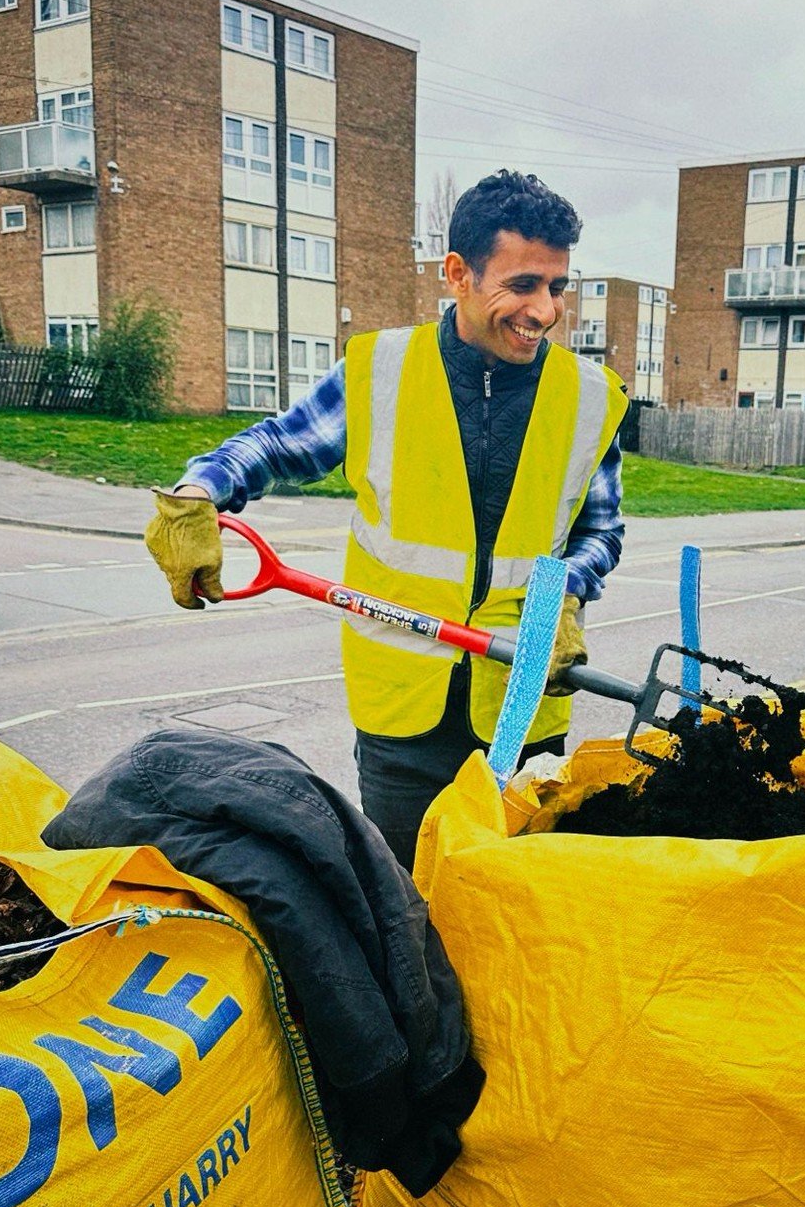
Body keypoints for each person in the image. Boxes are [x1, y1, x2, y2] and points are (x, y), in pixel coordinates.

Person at [145, 171, 627, 869]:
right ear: (457, 273)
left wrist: (567, 598)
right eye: (522, 285)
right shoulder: (380, 370)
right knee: (409, 905)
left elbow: (600, 532)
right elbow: (277, 444)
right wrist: (199, 491)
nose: (545, 310)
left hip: (525, 704)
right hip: (404, 714)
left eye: (557, 287)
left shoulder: (590, 396)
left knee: (518, 911)